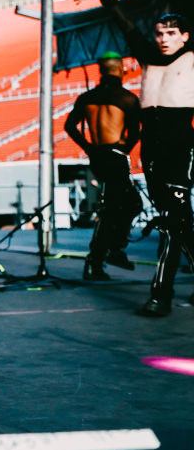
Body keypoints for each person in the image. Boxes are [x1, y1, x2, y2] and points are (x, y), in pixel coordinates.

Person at [82, 0, 194, 316]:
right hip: (151, 152)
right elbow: (125, 26)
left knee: (173, 224)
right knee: (180, 223)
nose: (163, 38)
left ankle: (161, 295)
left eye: (171, 33)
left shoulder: (191, 58)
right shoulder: (146, 56)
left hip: (178, 148)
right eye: (160, 32)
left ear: (185, 36)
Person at [63, 51, 142, 281]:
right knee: (130, 204)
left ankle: (99, 260)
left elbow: (70, 126)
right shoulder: (127, 98)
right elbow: (136, 132)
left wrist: (89, 148)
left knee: (112, 209)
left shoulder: (87, 98)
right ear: (119, 69)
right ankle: (112, 251)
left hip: (96, 157)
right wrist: (124, 149)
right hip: (115, 155)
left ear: (101, 70)